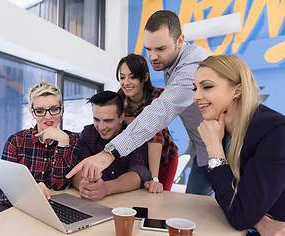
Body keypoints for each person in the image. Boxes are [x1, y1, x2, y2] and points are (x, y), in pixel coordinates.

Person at [67, 10, 212, 196]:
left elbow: (160, 114)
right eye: (148, 49)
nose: (152, 57)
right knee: (200, 207)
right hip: (203, 149)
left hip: (220, 149)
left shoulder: (191, 68)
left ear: (180, 41)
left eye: (160, 49)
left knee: (233, 211)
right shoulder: (121, 98)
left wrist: (110, 153)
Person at [193, 55, 285, 236]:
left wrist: (214, 148)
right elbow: (233, 203)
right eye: (194, 88)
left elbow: (240, 216)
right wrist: (260, 221)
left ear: (238, 90)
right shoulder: (222, 130)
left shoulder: (275, 133)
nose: (196, 97)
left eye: (207, 86)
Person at [0, 81, 80, 220]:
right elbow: (3, 191)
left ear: (62, 109)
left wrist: (63, 143)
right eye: (40, 111)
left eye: (54, 109)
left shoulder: (72, 140)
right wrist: (31, 192)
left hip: (46, 209)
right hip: (8, 207)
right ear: (32, 112)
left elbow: (59, 185)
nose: (48, 117)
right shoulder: (16, 141)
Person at [72, 91, 151, 201]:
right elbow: (78, 168)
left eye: (108, 120)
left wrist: (106, 188)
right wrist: (83, 185)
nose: (101, 127)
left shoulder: (134, 135)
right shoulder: (88, 133)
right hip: (94, 203)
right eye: (96, 119)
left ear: (121, 117)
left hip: (128, 202)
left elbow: (139, 173)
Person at [116, 53, 178, 193]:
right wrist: (124, 120)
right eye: (122, 77)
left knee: (157, 197)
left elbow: (155, 132)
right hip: (137, 161)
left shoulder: (159, 96)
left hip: (163, 159)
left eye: (132, 77)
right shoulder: (119, 99)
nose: (126, 82)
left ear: (145, 77)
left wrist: (154, 179)